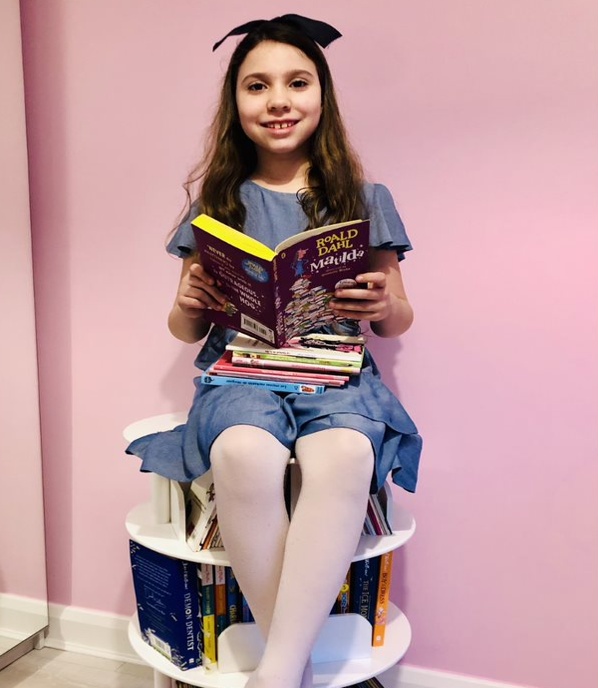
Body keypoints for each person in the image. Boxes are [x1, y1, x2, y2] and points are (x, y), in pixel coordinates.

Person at [127, 14, 422, 688]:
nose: (278, 101)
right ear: (235, 102)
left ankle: (279, 674)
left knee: (346, 455)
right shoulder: (218, 201)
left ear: (322, 94)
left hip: (336, 373)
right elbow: (183, 330)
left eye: (297, 82)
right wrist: (189, 304)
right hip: (242, 371)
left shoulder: (363, 198)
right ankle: (291, 671)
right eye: (257, 86)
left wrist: (382, 304)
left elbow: (398, 319)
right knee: (241, 452)